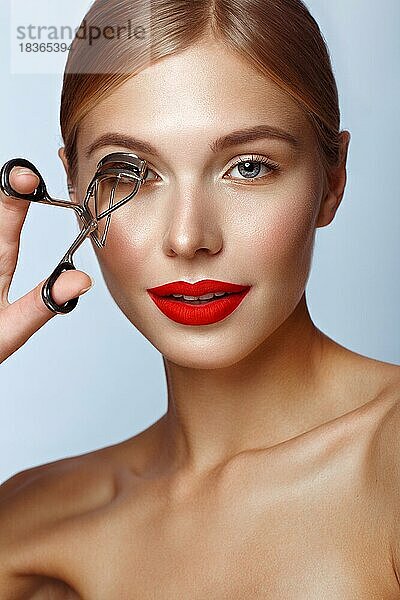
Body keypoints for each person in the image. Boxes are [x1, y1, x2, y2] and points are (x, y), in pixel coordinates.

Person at [1, 0, 400, 597]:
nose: (188, 238)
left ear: (331, 179)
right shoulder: (30, 527)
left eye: (247, 167)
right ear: (75, 189)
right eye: (130, 173)